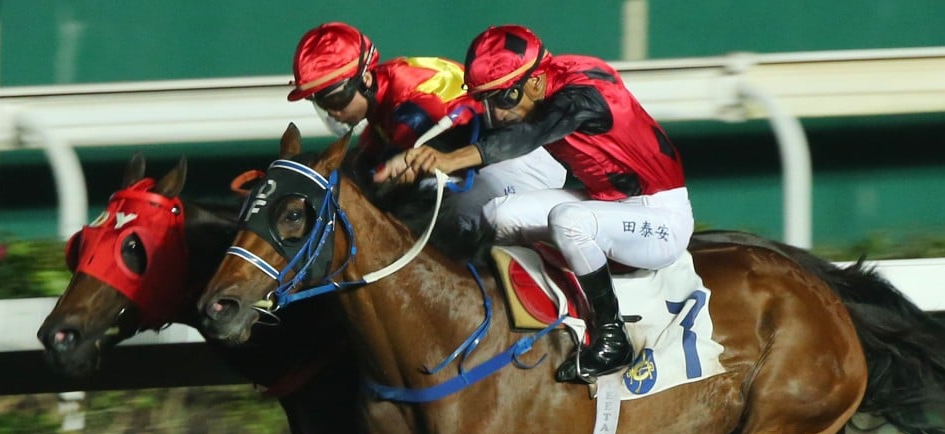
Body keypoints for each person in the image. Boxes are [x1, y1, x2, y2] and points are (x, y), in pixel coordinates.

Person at [380, 24, 695, 384]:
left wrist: (450, 161)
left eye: (504, 99)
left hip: (659, 218)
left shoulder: (584, 95)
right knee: (496, 213)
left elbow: (528, 136)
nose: (496, 114)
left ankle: (613, 336)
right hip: (607, 203)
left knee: (568, 221)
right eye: (489, 101)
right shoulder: (542, 83)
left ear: (533, 82)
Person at [287, 22, 566, 234]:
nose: (332, 111)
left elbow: (414, 166)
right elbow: (363, 170)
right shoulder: (381, 113)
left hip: (517, 159)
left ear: (366, 80)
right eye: (320, 102)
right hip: (479, 162)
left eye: (335, 98)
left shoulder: (409, 103)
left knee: (433, 213)